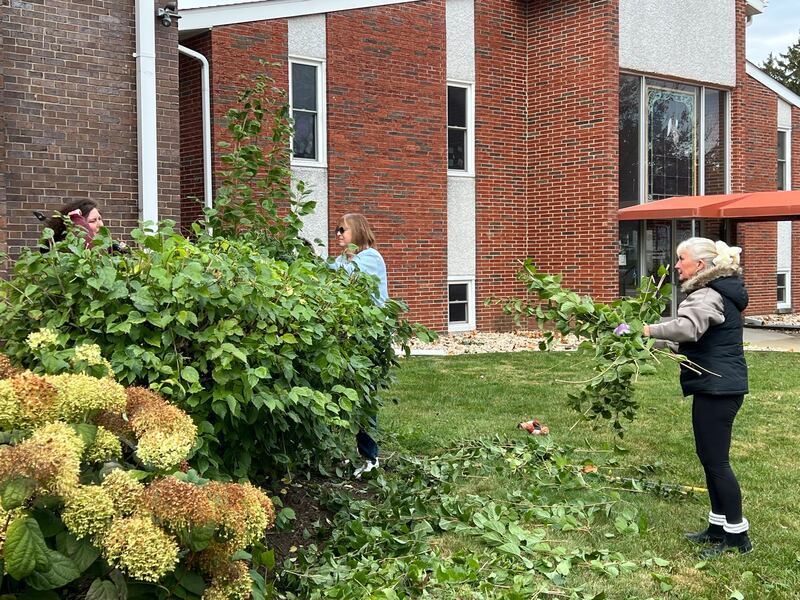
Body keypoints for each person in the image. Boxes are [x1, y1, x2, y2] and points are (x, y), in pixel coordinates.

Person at [643, 237, 752, 557]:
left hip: (717, 388)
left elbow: (688, 329)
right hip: (719, 385)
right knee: (709, 458)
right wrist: (649, 343)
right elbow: (692, 341)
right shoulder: (718, 292)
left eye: (682, 259)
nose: (677, 265)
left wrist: (647, 330)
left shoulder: (707, 293)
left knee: (717, 462)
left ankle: (737, 537)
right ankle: (718, 528)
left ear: (700, 266)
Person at [331, 213, 388, 477]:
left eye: (343, 229)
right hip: (349, 335)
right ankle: (338, 451)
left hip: (372, 336)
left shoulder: (370, 258)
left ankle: (370, 457)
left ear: (357, 231)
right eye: (336, 230)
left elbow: (346, 276)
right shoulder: (342, 260)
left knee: (365, 396)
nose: (339, 233)